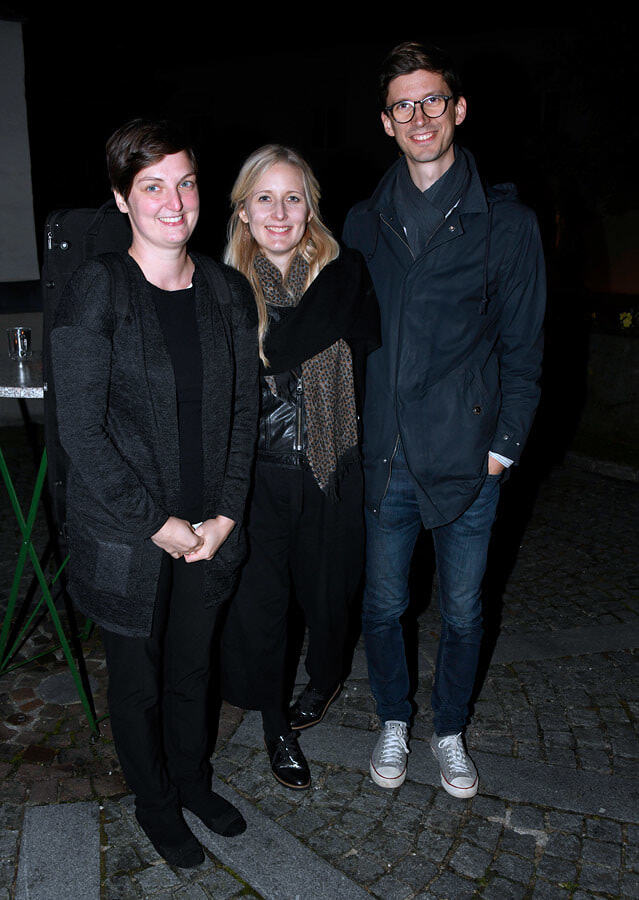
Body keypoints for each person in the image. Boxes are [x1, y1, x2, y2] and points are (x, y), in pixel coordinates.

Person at [50, 119, 259, 866]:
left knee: (193, 672)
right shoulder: (98, 289)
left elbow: (243, 412)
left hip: (209, 530)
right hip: (129, 536)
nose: (174, 202)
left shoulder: (228, 291)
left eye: (186, 183)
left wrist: (226, 513)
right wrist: (157, 523)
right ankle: (155, 802)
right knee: (137, 683)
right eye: (152, 186)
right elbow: (80, 430)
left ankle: (192, 781)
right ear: (121, 197)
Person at [343, 41, 545, 797]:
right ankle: (394, 717)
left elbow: (525, 350)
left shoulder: (507, 225)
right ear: (386, 123)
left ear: (458, 109)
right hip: (384, 456)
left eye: (432, 99)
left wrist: (502, 448)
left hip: (468, 457)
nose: (419, 116)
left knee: (462, 610)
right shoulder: (363, 224)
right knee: (383, 604)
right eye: (404, 105)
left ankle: (449, 729)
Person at [220, 145, 379, 789]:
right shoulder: (224, 289)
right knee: (261, 611)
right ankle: (274, 725)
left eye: (293, 198)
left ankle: (325, 677)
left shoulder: (345, 274)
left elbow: (361, 363)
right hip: (255, 476)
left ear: (311, 207)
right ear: (243, 211)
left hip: (331, 468)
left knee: (331, 598)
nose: (279, 212)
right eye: (264, 198)